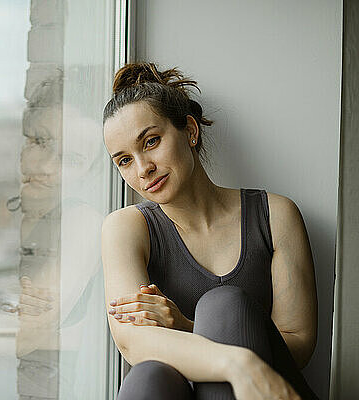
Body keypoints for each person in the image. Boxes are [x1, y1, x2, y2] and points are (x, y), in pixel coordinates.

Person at [101, 62, 319, 399]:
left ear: (189, 130)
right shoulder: (127, 227)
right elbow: (133, 341)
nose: (144, 169)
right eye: (124, 160)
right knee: (148, 378)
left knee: (224, 305)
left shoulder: (275, 214)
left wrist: (189, 327)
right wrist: (235, 362)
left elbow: (299, 344)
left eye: (151, 141)